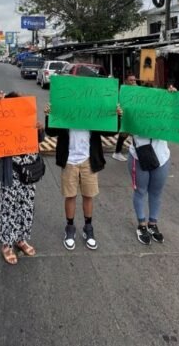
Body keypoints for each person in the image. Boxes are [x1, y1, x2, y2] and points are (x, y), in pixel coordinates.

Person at [44, 102, 118, 250]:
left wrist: (116, 116)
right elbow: (51, 132)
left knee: (88, 195)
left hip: (89, 160)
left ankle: (88, 227)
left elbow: (110, 132)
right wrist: (49, 116)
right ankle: (70, 227)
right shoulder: (65, 108)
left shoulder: (94, 110)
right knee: (70, 195)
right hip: (69, 160)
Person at [0, 91, 45, 264]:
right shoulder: (1, 122)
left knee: (26, 206)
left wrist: (40, 129)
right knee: (9, 208)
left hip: (29, 172)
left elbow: (40, 139)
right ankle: (6, 244)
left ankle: (21, 239)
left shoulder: (28, 120)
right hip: (11, 172)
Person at [125, 82, 177, 245]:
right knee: (140, 191)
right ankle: (141, 224)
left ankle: (153, 223)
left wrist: (175, 98)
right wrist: (121, 111)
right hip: (139, 155)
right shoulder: (132, 106)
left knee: (156, 192)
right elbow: (123, 128)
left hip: (162, 156)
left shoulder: (163, 107)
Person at [112, 73, 138, 162]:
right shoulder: (122, 91)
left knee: (134, 133)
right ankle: (117, 152)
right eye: (131, 80)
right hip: (125, 115)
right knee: (124, 134)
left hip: (135, 116)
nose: (133, 82)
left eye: (134, 80)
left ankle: (134, 152)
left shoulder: (138, 89)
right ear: (126, 81)